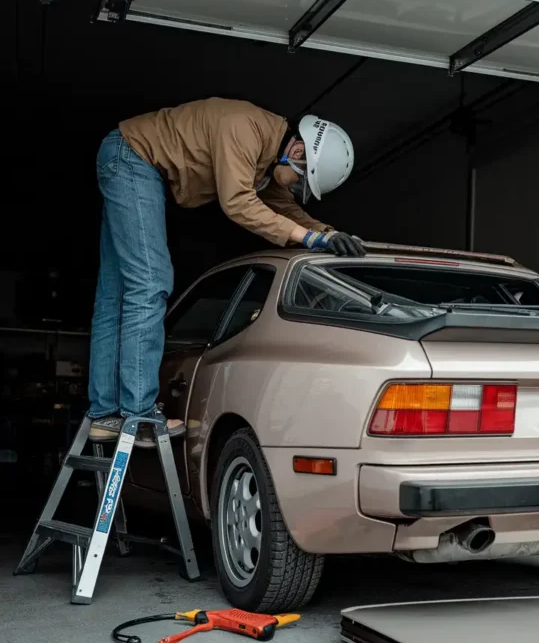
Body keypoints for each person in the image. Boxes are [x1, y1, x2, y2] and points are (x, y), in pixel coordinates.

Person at [87, 97, 364, 447]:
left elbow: (280, 205)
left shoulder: (269, 156)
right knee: (150, 283)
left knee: (115, 297)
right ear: (296, 149)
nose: (295, 189)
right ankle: (138, 414)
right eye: (300, 180)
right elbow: (238, 202)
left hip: (128, 159)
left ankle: (104, 414)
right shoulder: (244, 129)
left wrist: (329, 234)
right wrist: (309, 238)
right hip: (133, 159)